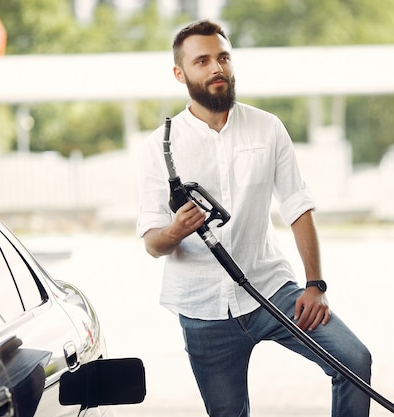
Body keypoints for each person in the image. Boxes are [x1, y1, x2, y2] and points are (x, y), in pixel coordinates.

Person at [136, 19, 371, 417]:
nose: (217, 69)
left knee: (354, 360)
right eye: (203, 61)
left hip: (272, 290)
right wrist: (175, 230)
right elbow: (152, 243)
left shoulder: (267, 127)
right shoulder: (160, 146)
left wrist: (315, 284)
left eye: (223, 57)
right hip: (202, 309)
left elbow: (298, 206)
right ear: (180, 73)